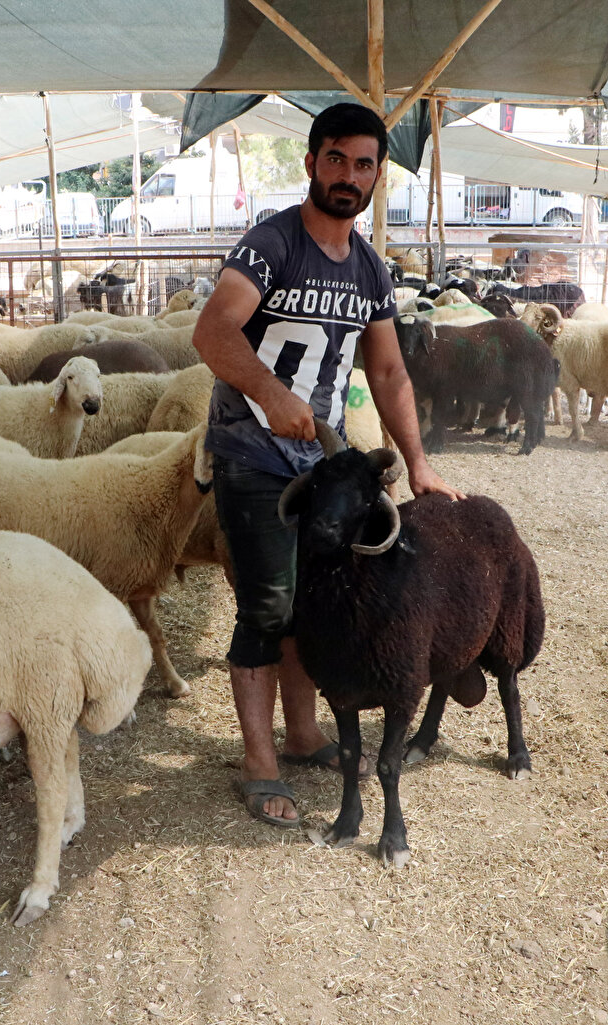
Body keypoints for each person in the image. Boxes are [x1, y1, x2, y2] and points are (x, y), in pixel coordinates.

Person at [191, 102, 466, 828]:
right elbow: (212, 330)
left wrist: (419, 463)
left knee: (314, 601)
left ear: (377, 175)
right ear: (311, 162)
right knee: (267, 606)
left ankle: (305, 732)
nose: (349, 175)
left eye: (364, 164)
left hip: (325, 467)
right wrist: (269, 392)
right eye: (336, 159)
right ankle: (259, 763)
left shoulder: (370, 268)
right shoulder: (271, 244)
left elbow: (389, 371)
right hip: (252, 451)